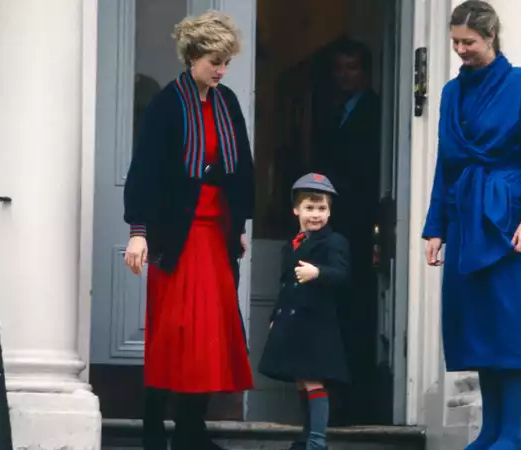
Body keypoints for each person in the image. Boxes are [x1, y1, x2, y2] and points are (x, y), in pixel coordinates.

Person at [422, 1, 521, 449]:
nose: (461, 49)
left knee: (509, 320)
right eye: (455, 42)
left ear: (491, 38)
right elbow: (445, 163)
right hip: (465, 219)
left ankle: (511, 435)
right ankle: (490, 431)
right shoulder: (448, 93)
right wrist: (435, 227)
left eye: (469, 42)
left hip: (508, 220)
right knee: (477, 323)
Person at [122, 11, 255, 450]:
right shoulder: (166, 103)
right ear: (193, 56)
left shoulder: (228, 101)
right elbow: (145, 172)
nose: (220, 69)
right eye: (214, 60)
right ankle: (154, 433)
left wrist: (239, 224)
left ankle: (192, 434)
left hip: (216, 234)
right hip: (174, 238)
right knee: (173, 335)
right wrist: (138, 231)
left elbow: (242, 170)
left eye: (226, 62)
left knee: (208, 337)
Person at [310, 37, 381, 425]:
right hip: (329, 228)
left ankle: (357, 404)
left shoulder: (377, 111)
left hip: (358, 229)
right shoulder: (328, 110)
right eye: (339, 68)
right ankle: (327, 404)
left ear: (366, 72)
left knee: (356, 316)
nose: (344, 76)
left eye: (352, 68)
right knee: (327, 315)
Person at [258, 173, 351, 450]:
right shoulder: (292, 245)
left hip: (317, 324)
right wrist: (275, 315)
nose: (316, 215)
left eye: (322, 208)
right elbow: (285, 285)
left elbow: (342, 274)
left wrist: (318, 272)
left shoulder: (334, 242)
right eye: (309, 208)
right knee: (301, 380)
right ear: (296, 210)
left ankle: (317, 440)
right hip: (294, 323)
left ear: (330, 211)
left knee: (313, 380)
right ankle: (306, 434)